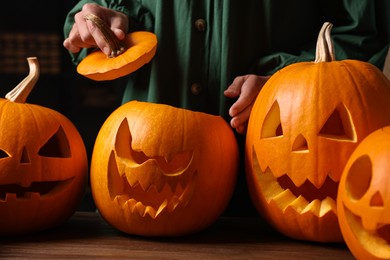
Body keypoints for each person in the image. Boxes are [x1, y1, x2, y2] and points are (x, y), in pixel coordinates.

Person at [63, 0, 390, 216]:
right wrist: (98, 19)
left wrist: (288, 85)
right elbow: (95, 9)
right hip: (137, 198)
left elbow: (365, 30)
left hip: (270, 196)